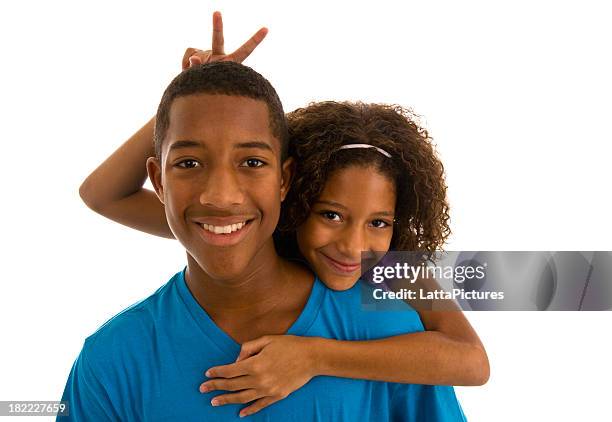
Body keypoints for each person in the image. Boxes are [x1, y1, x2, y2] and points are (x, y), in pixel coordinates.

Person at [64, 13, 480, 421]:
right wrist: (196, 96)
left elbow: (473, 360)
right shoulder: (114, 359)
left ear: (284, 180)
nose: (222, 197)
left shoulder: (394, 285)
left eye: (378, 223)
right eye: (331, 215)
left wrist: (313, 355)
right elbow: (101, 195)